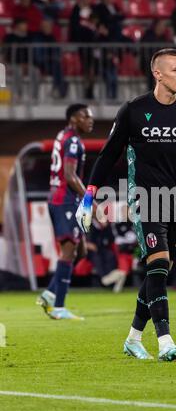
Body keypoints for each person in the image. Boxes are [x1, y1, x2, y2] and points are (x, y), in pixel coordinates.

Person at [76, 48, 176, 361]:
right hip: (144, 198)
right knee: (157, 263)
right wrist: (89, 195)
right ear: (157, 73)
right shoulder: (133, 109)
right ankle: (165, 341)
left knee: (160, 271)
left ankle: (133, 338)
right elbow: (107, 155)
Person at [37, 104, 94, 320]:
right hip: (65, 200)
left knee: (81, 252)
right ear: (73, 118)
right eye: (85, 116)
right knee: (69, 252)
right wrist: (89, 199)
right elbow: (70, 175)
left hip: (60, 198)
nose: (90, 120)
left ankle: (50, 293)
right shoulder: (72, 141)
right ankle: (59, 307)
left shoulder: (63, 135)